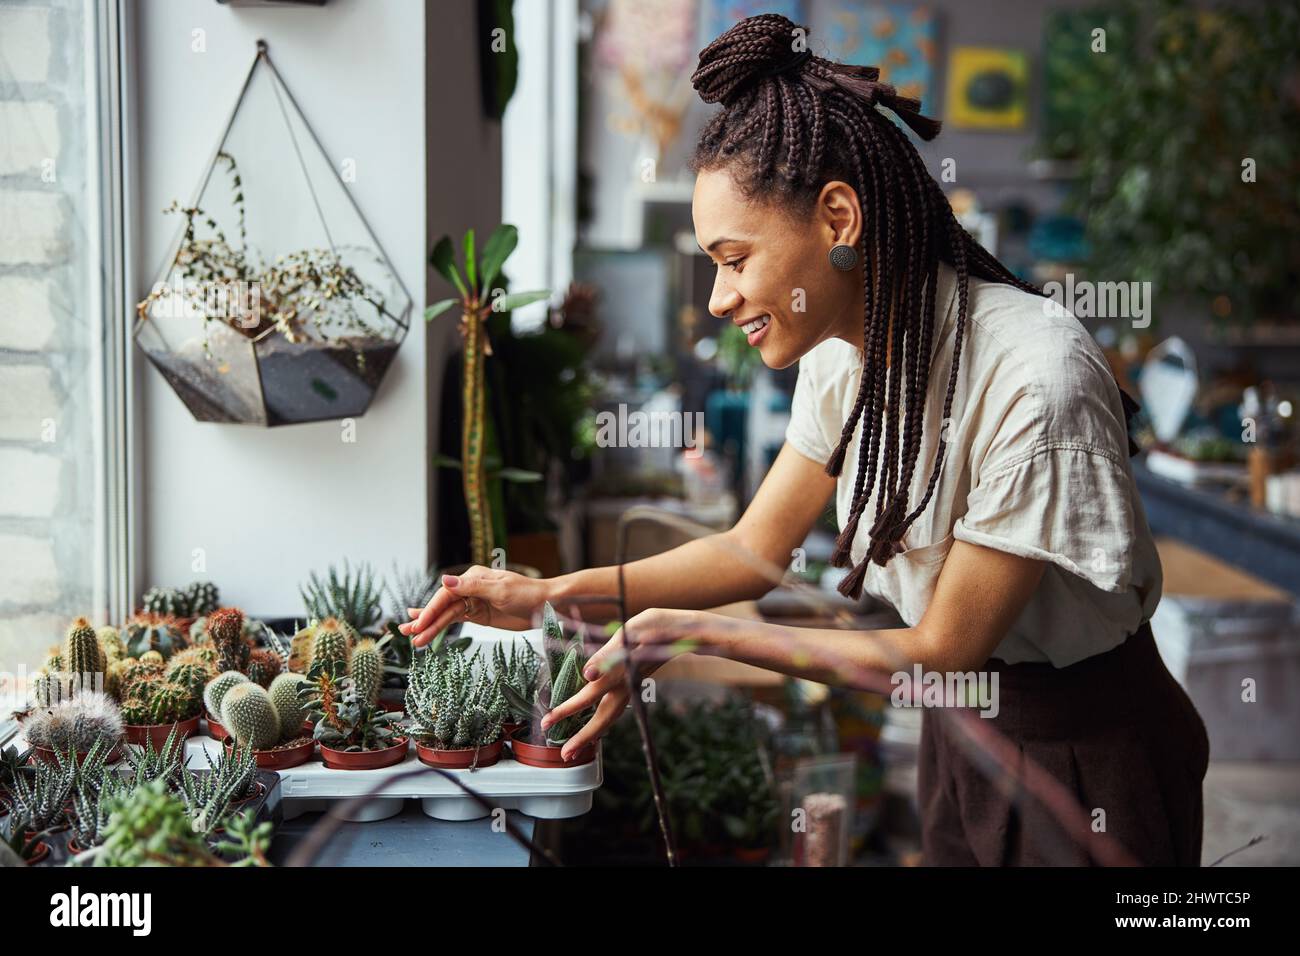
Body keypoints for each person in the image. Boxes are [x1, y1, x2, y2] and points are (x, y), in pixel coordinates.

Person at [401, 14, 1209, 866]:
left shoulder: (1035, 376)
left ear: (836, 218)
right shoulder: (843, 358)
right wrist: (553, 593)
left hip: (1085, 757)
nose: (717, 297)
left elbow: (943, 648)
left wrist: (693, 636)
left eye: (734, 258)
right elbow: (753, 553)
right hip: (961, 737)